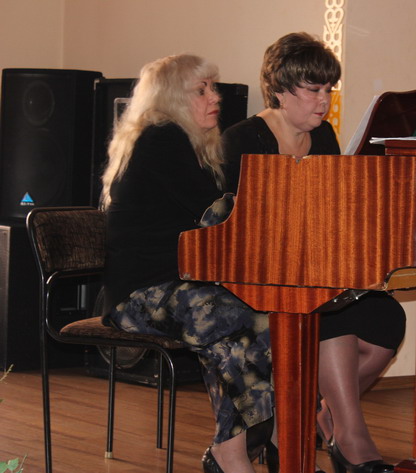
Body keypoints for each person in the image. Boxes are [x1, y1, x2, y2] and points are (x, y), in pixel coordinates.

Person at [222, 32, 406, 473]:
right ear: (280, 90)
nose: (324, 101)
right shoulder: (242, 139)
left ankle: (308, 415)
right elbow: (230, 226)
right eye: (313, 90)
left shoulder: (323, 137)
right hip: (256, 278)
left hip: (313, 270)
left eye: (329, 90)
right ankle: (350, 438)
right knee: (330, 314)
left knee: (387, 321)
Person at [100, 54, 275, 473]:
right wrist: (276, 214)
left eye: (213, 87)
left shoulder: (192, 145)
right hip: (138, 296)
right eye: (201, 90)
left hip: (177, 286)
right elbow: (216, 214)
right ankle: (254, 444)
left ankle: (235, 451)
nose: (215, 97)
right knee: (242, 316)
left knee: (239, 325)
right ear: (172, 98)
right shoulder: (160, 138)